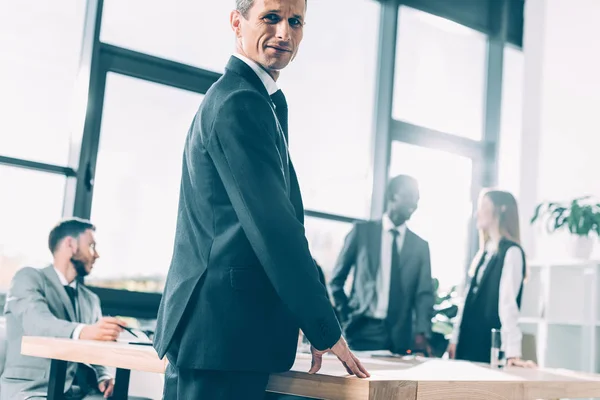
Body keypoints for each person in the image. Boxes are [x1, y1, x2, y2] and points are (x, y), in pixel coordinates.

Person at [153, 0, 369, 398]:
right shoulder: (240, 101)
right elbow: (274, 229)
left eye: (295, 21)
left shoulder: (244, 98)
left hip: (223, 337)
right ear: (237, 23)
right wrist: (324, 325)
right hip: (223, 336)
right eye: (271, 17)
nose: (284, 32)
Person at [0, 218, 144, 400]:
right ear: (70, 244)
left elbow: (96, 349)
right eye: (91, 245)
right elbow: (38, 323)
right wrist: (85, 331)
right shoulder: (28, 277)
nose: (97, 254)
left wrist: (103, 375)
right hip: (34, 389)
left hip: (82, 391)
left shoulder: (90, 299)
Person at [329, 175, 434, 355]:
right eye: (409, 195)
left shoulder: (420, 246)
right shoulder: (362, 232)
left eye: (417, 198)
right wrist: (345, 314)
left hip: (400, 335)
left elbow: (424, 293)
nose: (414, 203)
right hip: (361, 329)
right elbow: (336, 281)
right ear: (393, 195)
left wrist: (422, 331)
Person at [447, 189, 535, 368]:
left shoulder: (512, 252)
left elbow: (508, 305)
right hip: (467, 345)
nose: (477, 213)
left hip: (486, 349)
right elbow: (466, 302)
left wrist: (512, 353)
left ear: (501, 210)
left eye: (484, 206)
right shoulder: (483, 253)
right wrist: (455, 339)